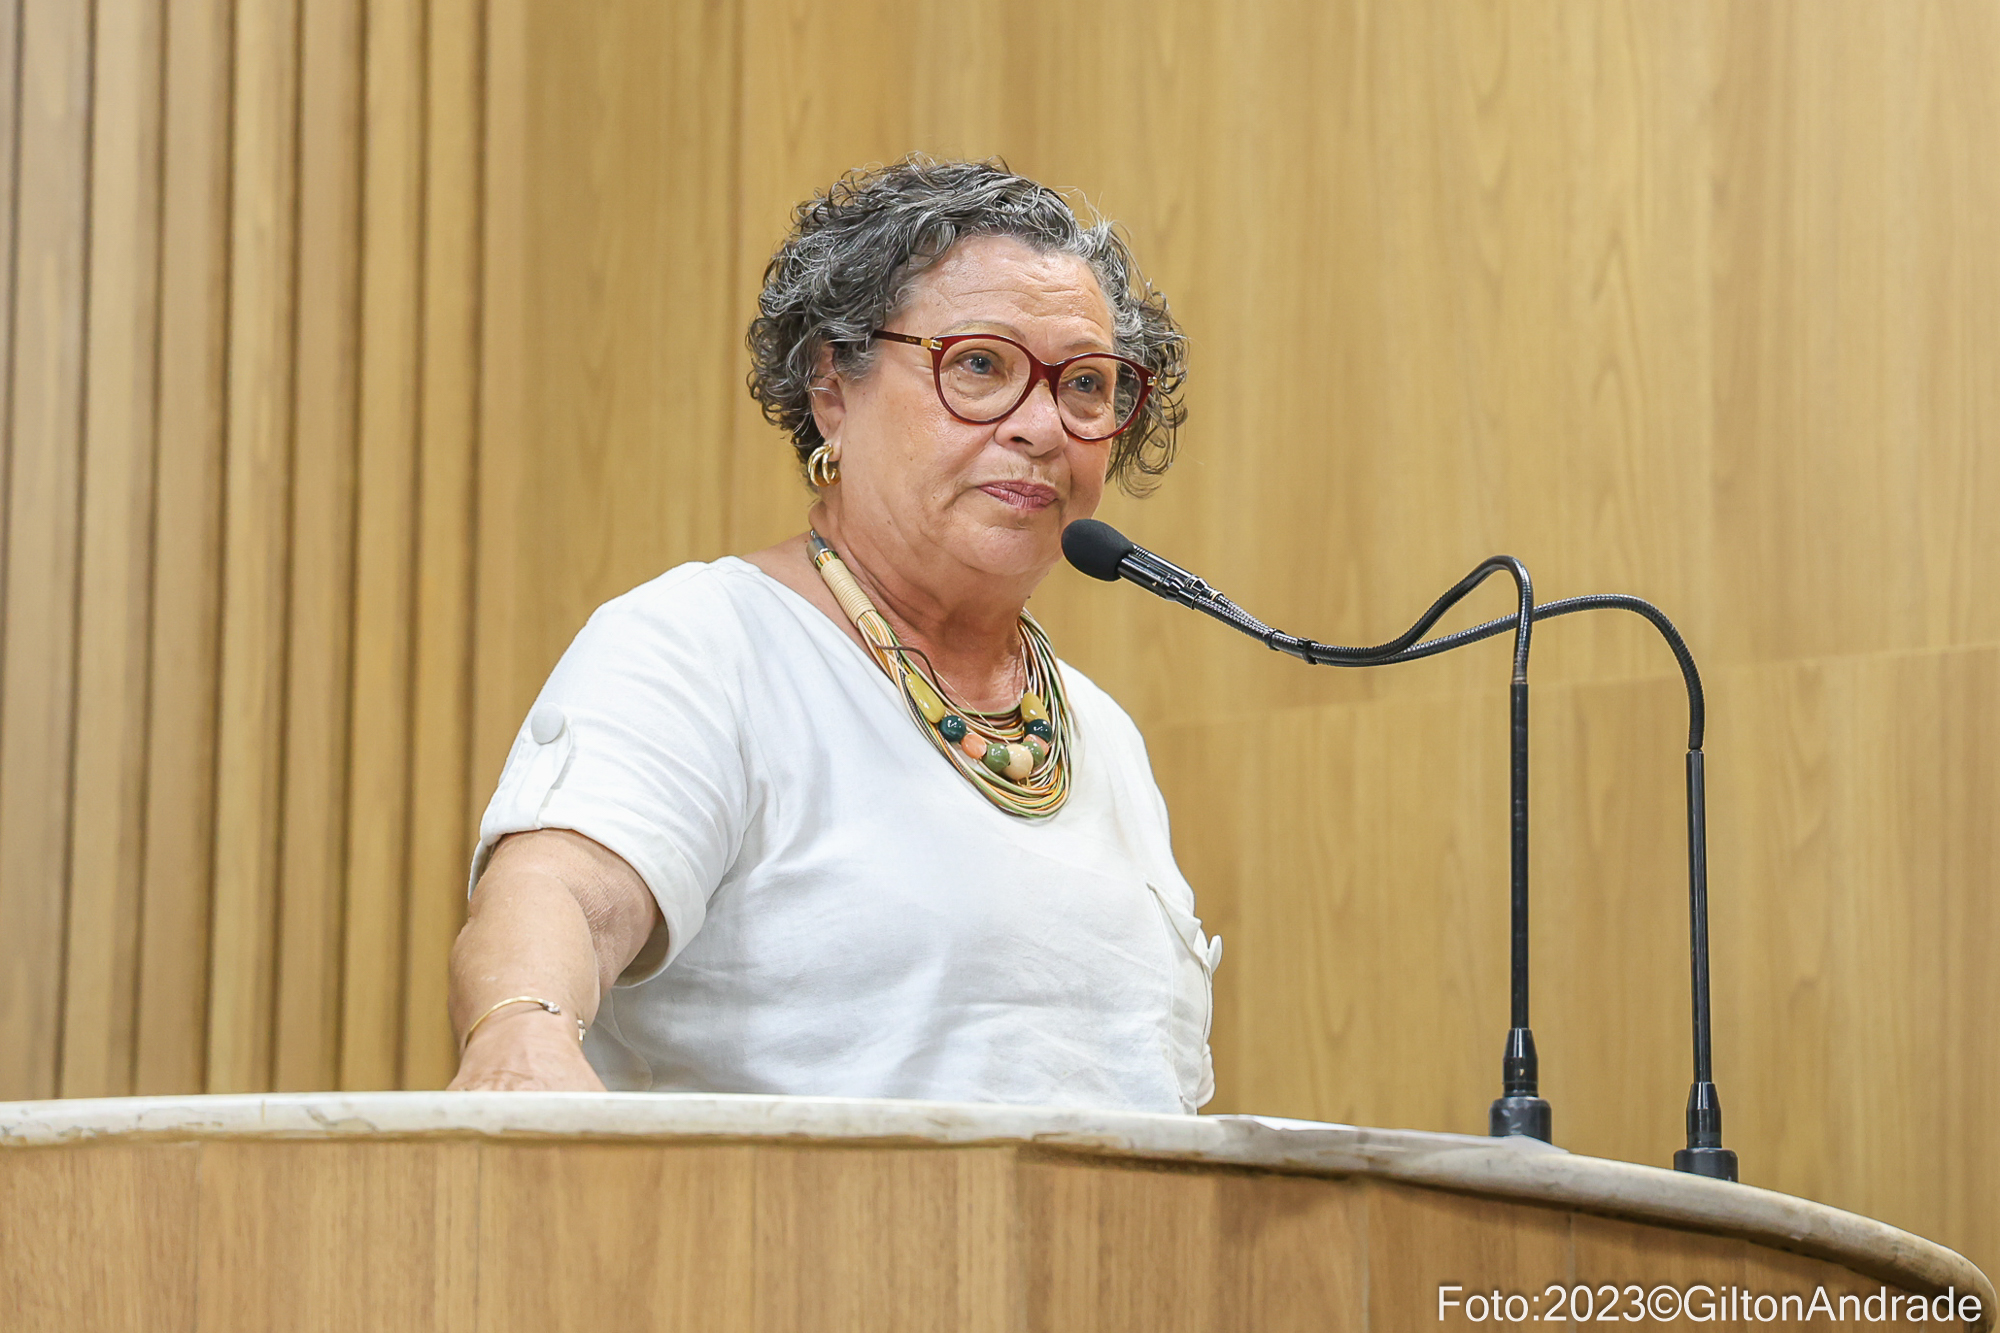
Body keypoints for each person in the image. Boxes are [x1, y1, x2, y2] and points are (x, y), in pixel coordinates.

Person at [446, 157, 1217, 1113]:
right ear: (832, 391)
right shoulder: (706, 645)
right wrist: (521, 1033)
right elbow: (564, 893)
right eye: (980, 365)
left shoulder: (1102, 737)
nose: (1042, 426)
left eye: (1087, 384)